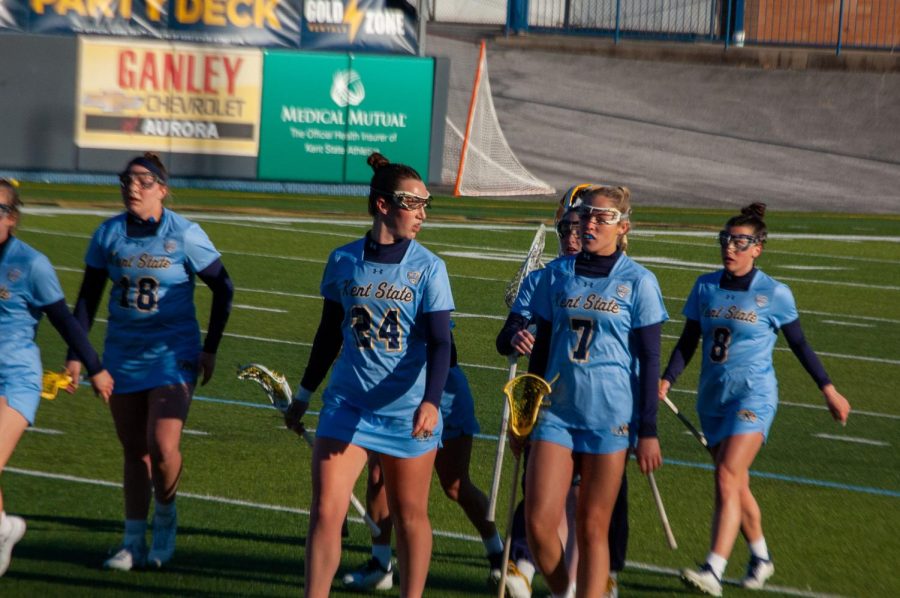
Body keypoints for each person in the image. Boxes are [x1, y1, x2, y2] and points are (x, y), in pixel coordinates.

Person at [659, 203, 850, 596]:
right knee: (736, 482)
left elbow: (799, 343)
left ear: (758, 248)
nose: (730, 248)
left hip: (754, 396)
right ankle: (761, 556)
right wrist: (667, 380)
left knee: (727, 475)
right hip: (712, 399)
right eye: (726, 240)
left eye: (740, 242)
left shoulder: (774, 293)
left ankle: (713, 569)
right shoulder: (705, 286)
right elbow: (688, 340)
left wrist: (828, 389)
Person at [284, 152, 452, 598]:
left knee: (409, 514)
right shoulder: (343, 260)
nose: (421, 214)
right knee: (326, 512)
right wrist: (304, 394)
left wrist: (431, 401)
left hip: (405, 412)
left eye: (425, 205)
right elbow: (326, 336)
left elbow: (440, 343)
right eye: (413, 204)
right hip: (346, 404)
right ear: (383, 205)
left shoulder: (430, 268)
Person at [66, 153, 234, 571]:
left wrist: (209, 347)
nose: (132, 188)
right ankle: (131, 540)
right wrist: (75, 354)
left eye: (143, 181)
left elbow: (224, 287)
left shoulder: (186, 234)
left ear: (162, 188)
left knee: (162, 445)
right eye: (127, 180)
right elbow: (88, 297)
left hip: (172, 354)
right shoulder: (107, 233)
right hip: (122, 354)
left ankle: (166, 517)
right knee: (134, 450)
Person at [525, 185, 666, 598]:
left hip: (610, 418)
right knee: (538, 524)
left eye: (601, 218)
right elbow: (542, 349)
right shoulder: (556, 275)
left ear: (622, 227)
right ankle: (563, 591)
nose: (589, 224)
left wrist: (649, 430)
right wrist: (527, 412)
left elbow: (649, 360)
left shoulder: (639, 282)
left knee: (592, 528)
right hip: (557, 415)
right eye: (585, 215)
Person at [0, 178, 114, 576]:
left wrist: (94, 368)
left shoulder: (31, 264)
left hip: (16, 377)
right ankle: (3, 530)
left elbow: (65, 321)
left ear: (12, 218)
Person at [340, 339, 504, 592]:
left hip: (442, 394)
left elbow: (446, 349)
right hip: (397, 398)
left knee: (455, 484)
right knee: (377, 476)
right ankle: (380, 564)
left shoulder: (427, 301)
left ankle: (498, 554)